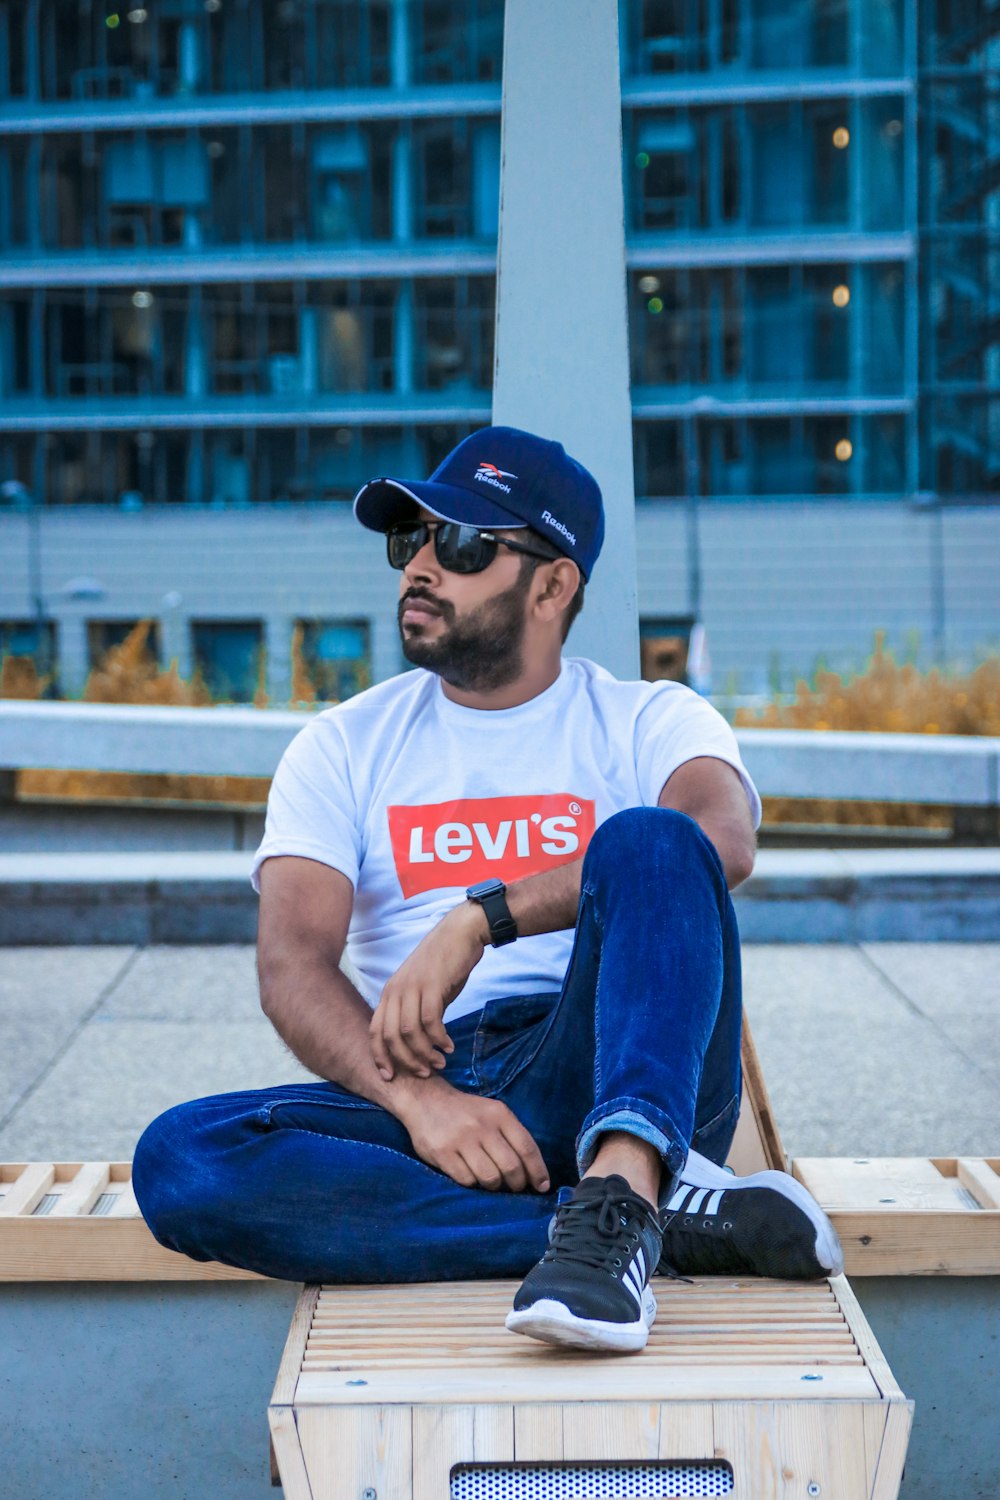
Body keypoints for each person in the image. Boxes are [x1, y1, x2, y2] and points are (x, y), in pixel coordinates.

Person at [134, 426, 841, 1355]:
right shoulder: (342, 745)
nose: (419, 567)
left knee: (656, 840)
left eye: (462, 545)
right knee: (182, 1161)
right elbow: (291, 966)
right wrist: (422, 1107)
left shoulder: (648, 720)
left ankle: (625, 1181)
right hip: (436, 1090)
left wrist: (482, 918)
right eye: (409, 541)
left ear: (552, 587)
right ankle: (632, 1224)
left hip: (616, 1058)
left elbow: (721, 843)